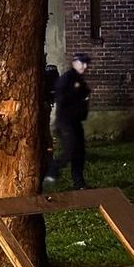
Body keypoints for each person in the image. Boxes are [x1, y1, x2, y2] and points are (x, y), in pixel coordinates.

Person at [44, 53, 92, 190]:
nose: (85, 66)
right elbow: (62, 99)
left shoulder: (79, 80)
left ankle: (79, 182)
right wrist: (77, 95)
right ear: (74, 63)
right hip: (65, 121)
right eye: (81, 63)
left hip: (75, 121)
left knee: (79, 152)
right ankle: (52, 170)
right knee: (70, 150)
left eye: (86, 63)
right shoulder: (66, 79)